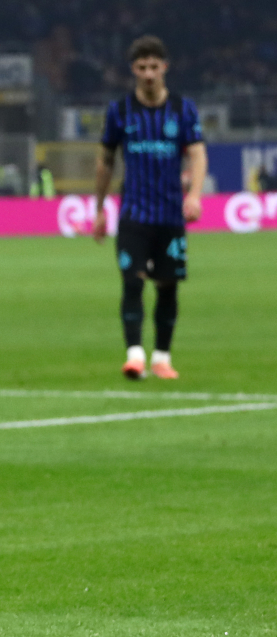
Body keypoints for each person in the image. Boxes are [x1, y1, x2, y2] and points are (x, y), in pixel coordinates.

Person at [94, 35, 206, 380]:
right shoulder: (120, 111)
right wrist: (99, 207)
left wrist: (195, 194)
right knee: (132, 282)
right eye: (141, 67)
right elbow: (105, 160)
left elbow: (198, 152)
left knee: (168, 286)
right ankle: (135, 355)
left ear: (164, 68)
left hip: (171, 214)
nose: (148, 73)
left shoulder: (182, 109)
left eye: (154, 67)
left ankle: (161, 357)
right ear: (133, 70)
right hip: (134, 214)